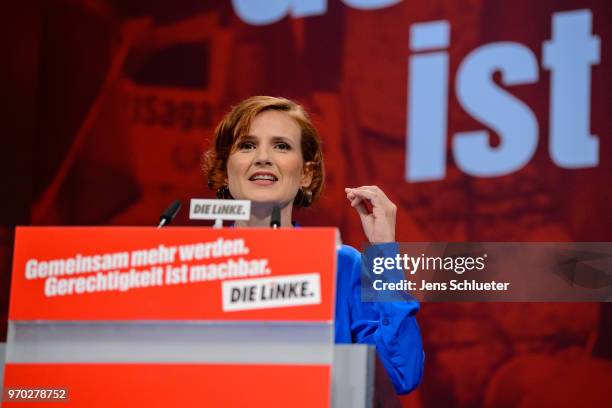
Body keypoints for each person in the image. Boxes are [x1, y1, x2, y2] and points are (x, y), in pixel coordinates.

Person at [203, 95, 424, 394]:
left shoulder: (343, 266)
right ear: (224, 171)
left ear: (306, 175)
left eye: (281, 146)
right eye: (247, 145)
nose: (263, 157)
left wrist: (384, 253)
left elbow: (401, 373)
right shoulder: (192, 264)